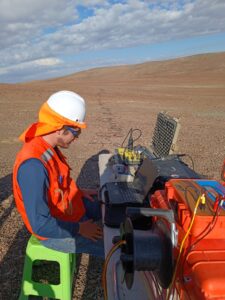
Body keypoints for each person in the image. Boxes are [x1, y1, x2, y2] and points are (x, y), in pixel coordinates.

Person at [13, 90, 104, 257]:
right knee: (116, 247)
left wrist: (78, 191)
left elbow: (56, 183)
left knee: (110, 205)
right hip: (54, 234)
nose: (76, 138)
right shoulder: (32, 167)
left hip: (67, 211)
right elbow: (40, 225)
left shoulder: (47, 146)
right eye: (76, 132)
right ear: (60, 129)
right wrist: (81, 228)